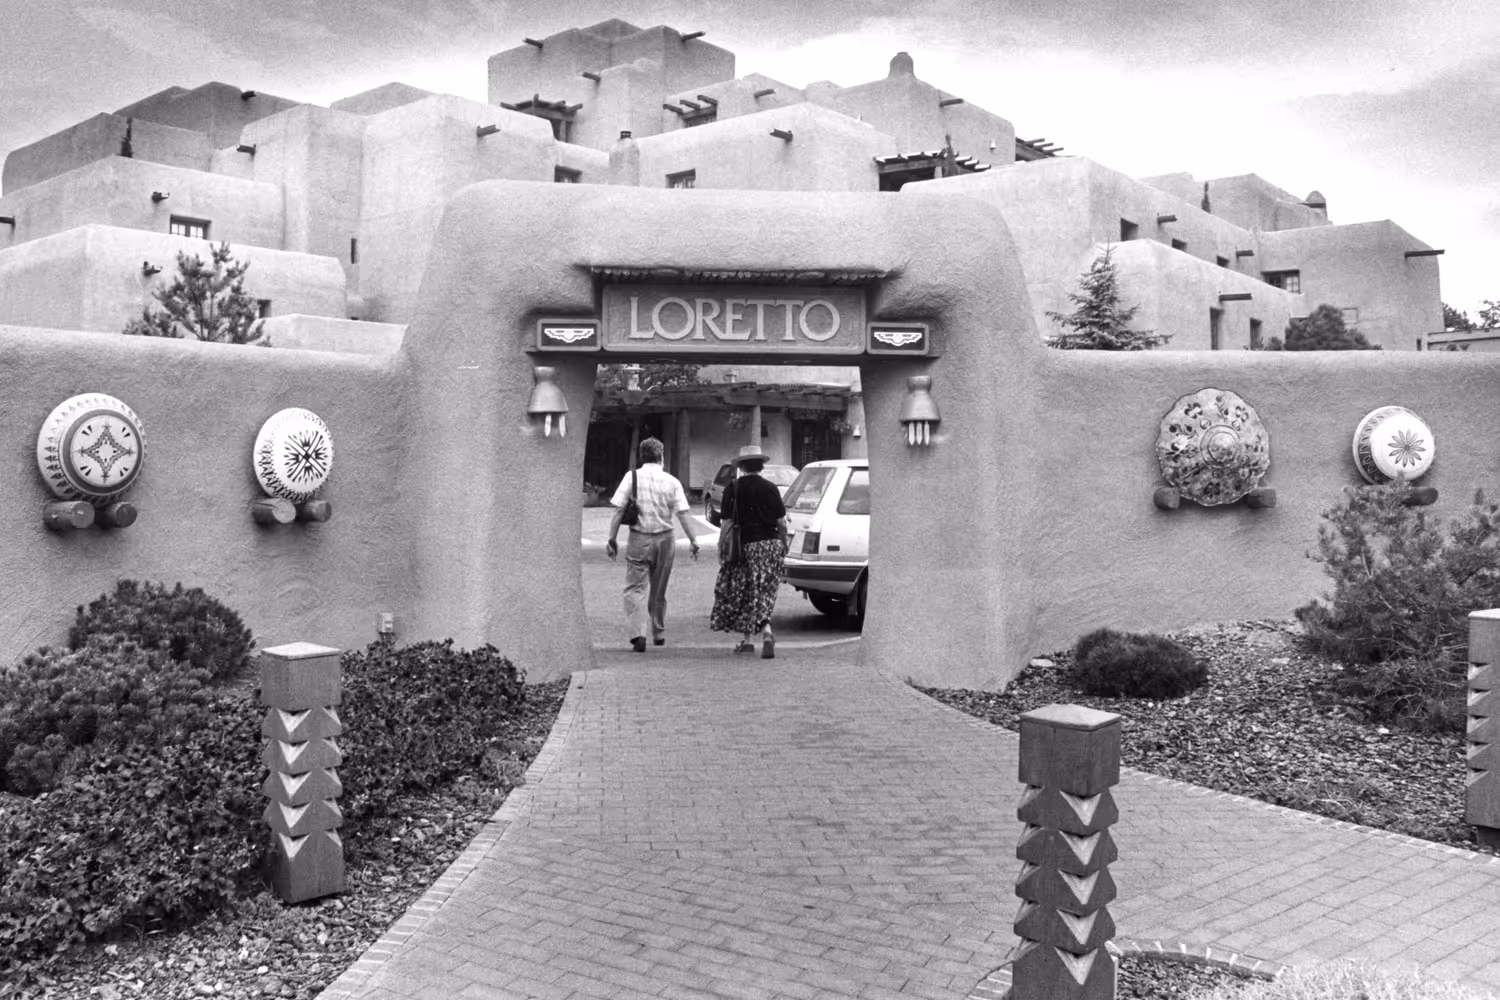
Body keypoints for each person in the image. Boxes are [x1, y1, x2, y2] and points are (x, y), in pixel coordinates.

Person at [605, 436, 700, 652]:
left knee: (635, 588)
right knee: (659, 588)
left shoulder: (631, 477)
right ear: (661, 457)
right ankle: (659, 632)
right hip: (666, 539)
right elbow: (683, 514)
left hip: (639, 538)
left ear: (642, 456)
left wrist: (612, 539)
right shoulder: (672, 481)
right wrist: (693, 540)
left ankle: (638, 634)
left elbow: (619, 510)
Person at [710, 445, 790, 659]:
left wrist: (722, 547)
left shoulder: (733, 488)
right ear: (761, 466)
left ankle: (751, 639)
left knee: (746, 592)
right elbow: (781, 522)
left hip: (746, 546)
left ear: (742, 467)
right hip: (771, 545)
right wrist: (783, 544)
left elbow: (726, 523)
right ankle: (764, 633)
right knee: (765, 591)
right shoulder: (771, 488)